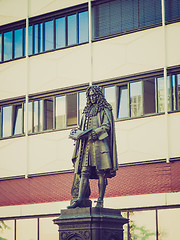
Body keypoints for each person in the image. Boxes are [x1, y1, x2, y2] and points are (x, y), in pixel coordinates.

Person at [68, 85, 118, 208]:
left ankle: (100, 201)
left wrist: (96, 132)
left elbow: (107, 125)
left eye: (94, 95)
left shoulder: (105, 109)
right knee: (84, 172)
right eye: (90, 96)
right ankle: (80, 199)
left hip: (100, 145)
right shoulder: (86, 111)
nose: (92, 97)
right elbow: (81, 127)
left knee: (101, 172)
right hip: (86, 146)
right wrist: (77, 133)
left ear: (99, 95)